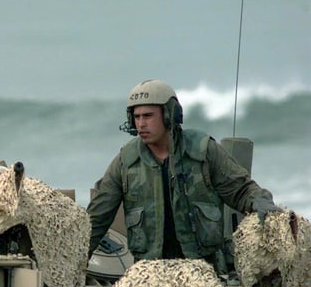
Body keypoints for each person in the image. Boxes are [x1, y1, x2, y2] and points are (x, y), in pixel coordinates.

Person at [86, 79, 281, 271]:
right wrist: (77, 261)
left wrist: (262, 203)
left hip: (203, 268)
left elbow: (241, 189)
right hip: (149, 273)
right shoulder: (126, 161)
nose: (141, 124)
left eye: (148, 116)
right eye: (136, 117)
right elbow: (98, 216)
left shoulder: (203, 151)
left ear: (170, 115)